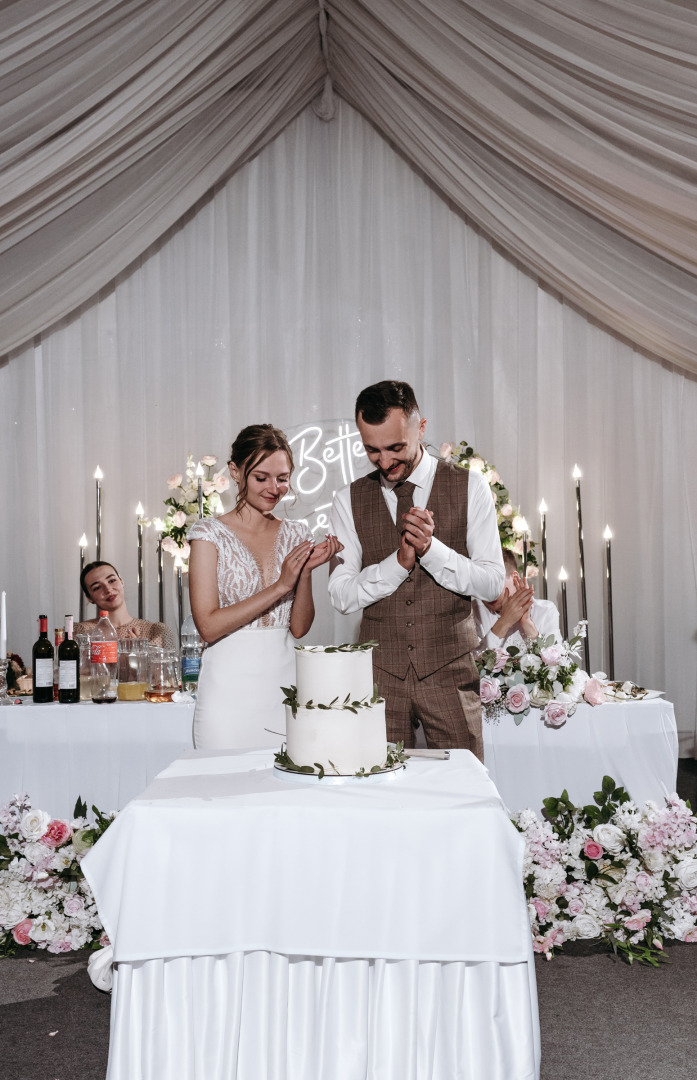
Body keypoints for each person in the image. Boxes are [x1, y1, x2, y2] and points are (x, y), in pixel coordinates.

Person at [328, 381, 504, 760]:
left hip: (450, 672)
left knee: (464, 789)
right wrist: (398, 564)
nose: (385, 461)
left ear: (421, 428)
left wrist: (432, 550)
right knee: (380, 798)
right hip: (378, 676)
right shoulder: (348, 500)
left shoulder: (470, 487)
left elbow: (492, 582)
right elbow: (341, 596)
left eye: (396, 447)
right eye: (371, 450)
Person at [188, 423, 341, 750]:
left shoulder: (296, 533)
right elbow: (208, 626)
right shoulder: (207, 534)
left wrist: (307, 571)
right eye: (262, 477)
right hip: (227, 691)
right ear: (235, 471)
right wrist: (281, 584)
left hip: (282, 686)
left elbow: (299, 628)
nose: (275, 488)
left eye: (282, 478)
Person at [473, 548, 561, 652]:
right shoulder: (473, 612)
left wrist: (527, 624)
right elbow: (473, 664)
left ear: (514, 577)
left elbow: (557, 665)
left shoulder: (545, 610)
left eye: (494, 585)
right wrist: (504, 621)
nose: (486, 594)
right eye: (480, 587)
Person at [76, 562, 175, 647]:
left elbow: (166, 668)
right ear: (89, 598)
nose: (108, 589)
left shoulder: (154, 631)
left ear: (122, 582)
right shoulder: (78, 632)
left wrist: (140, 655)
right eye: (97, 587)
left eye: (112, 581)